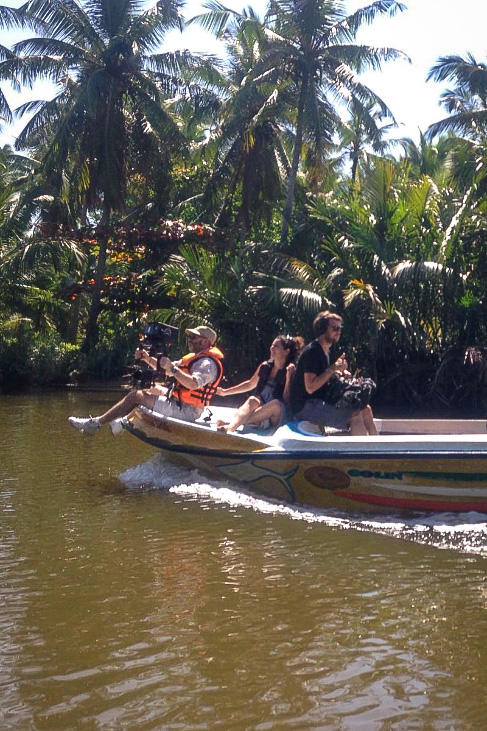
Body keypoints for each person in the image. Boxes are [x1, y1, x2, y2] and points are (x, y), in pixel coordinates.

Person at [68, 325, 224, 434]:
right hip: (179, 402)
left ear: (205, 342)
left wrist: (172, 368)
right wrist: (146, 358)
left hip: (188, 411)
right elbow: (165, 369)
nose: (189, 339)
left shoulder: (207, 363)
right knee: (153, 388)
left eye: (193, 337)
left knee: (136, 396)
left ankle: (95, 424)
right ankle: (122, 422)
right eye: (189, 336)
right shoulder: (193, 358)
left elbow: (193, 384)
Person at [290, 311, 378, 436]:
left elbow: (326, 375)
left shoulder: (326, 350)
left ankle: (378, 447)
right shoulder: (312, 352)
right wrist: (332, 369)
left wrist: (340, 373)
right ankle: (361, 453)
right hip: (305, 406)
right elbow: (310, 387)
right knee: (356, 414)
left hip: (319, 401)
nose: (338, 331)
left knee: (365, 408)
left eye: (340, 328)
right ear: (322, 329)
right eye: (335, 328)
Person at [216, 335, 298, 433]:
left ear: (286, 351)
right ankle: (232, 427)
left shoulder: (292, 370)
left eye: (276, 346)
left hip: (277, 415)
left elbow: (287, 400)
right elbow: (250, 384)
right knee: (252, 400)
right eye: (272, 345)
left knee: (276, 404)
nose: (272, 348)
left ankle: (232, 423)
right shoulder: (265, 366)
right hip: (261, 410)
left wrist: (288, 378)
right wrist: (225, 392)